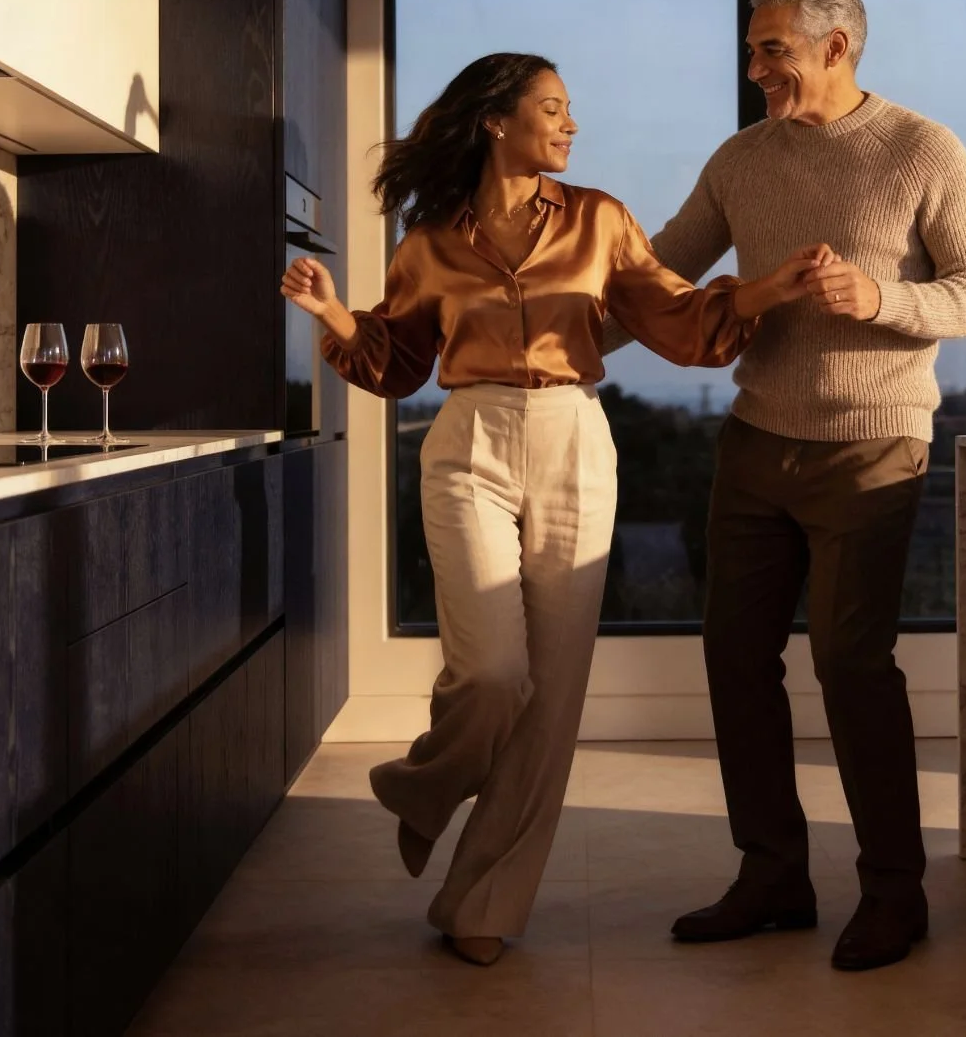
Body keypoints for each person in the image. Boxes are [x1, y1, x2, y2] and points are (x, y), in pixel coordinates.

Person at [281, 52, 829, 967]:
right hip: (469, 445)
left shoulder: (599, 219)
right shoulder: (430, 242)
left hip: (575, 439)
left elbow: (676, 318)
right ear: (496, 120)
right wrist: (336, 314)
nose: (570, 124)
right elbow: (398, 361)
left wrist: (765, 290)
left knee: (552, 698)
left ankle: (481, 903)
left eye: (569, 110)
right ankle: (425, 784)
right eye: (552, 108)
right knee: (494, 673)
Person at [605, 0, 966, 972]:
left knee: (849, 662)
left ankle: (894, 892)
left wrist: (880, 298)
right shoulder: (740, 159)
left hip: (873, 445)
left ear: (837, 47)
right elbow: (658, 279)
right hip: (754, 441)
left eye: (771, 49)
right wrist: (535, 342)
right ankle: (773, 875)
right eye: (751, 49)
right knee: (733, 656)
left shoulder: (923, 149)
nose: (754, 68)